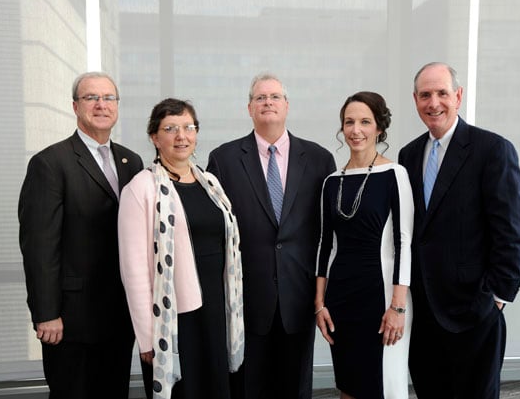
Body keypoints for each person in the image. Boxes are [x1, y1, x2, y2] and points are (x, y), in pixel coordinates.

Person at [398, 62, 520, 399]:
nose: (434, 102)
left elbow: (511, 230)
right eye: (425, 95)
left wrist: (497, 297)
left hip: (475, 311)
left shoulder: (492, 150)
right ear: (415, 100)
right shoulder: (409, 155)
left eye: (442, 93)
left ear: (458, 95)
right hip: (424, 313)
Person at [207, 73, 336, 399]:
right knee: (249, 388)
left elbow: (328, 233)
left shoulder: (319, 160)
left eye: (275, 97)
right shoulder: (223, 160)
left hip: (300, 296)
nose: (268, 102)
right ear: (249, 107)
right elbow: (216, 233)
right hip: (247, 299)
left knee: (296, 388)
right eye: (260, 98)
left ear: (287, 105)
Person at [18, 72, 144, 398]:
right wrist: (46, 314)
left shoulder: (133, 162)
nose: (101, 105)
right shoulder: (50, 163)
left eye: (109, 98)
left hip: (120, 316)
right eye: (91, 98)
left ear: (117, 106)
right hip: (71, 321)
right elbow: (39, 246)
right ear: (75, 106)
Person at [118, 98, 244, 399]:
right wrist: (148, 338)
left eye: (188, 127)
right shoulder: (141, 188)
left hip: (217, 308)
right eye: (170, 128)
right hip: (174, 319)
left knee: (216, 389)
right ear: (154, 137)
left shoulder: (210, 183)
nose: (181, 136)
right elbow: (134, 271)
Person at [315, 91, 414, 399]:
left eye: (365, 122)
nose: (356, 130)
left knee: (383, 385)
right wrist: (319, 303)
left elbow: (404, 242)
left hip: (383, 296)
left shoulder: (394, 174)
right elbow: (324, 244)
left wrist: (398, 306)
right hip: (341, 297)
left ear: (379, 128)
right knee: (348, 384)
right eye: (349, 122)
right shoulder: (332, 181)